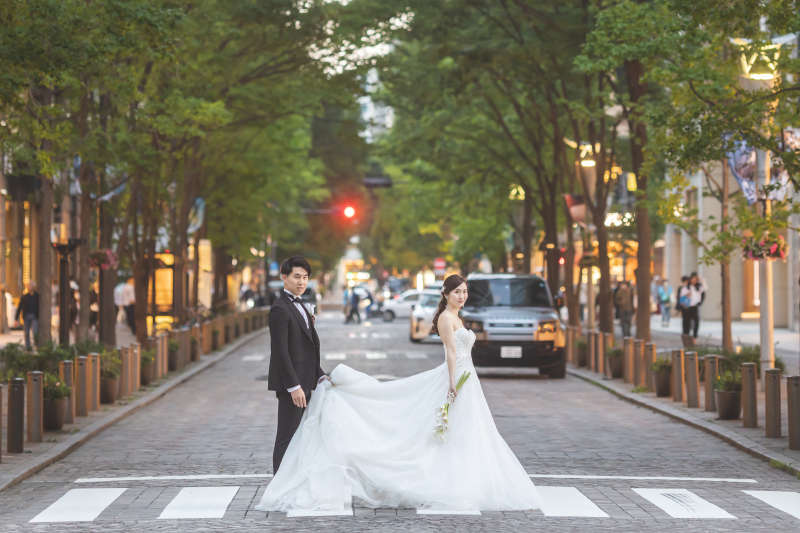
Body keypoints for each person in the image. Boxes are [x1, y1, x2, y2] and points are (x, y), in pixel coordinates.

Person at [256, 274, 544, 512]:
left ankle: (469, 477)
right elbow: (451, 353)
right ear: (446, 294)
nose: (462, 296)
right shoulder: (446, 318)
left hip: (469, 379)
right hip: (457, 378)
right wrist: (453, 382)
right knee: (445, 428)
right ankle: (283, 480)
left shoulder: (457, 316)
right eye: (457, 291)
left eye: (465, 291)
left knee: (469, 430)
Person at [267, 256, 328, 474]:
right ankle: (278, 486)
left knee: (302, 435)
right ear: (284, 278)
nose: (301, 282)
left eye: (305, 278)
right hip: (292, 386)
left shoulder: (301, 304)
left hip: (306, 380)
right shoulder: (280, 309)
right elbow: (280, 351)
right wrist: (293, 386)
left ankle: (293, 480)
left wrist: (320, 375)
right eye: (296, 277)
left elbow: (307, 348)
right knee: (287, 436)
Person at [15, 281, 39, 349]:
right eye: (28, 285)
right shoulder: (25, 297)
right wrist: (16, 318)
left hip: (35, 316)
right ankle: (28, 347)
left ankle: (35, 346)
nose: (29, 287)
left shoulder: (37, 296)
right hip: (26, 316)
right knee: (26, 333)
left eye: (30, 285)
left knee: (35, 332)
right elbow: (19, 307)